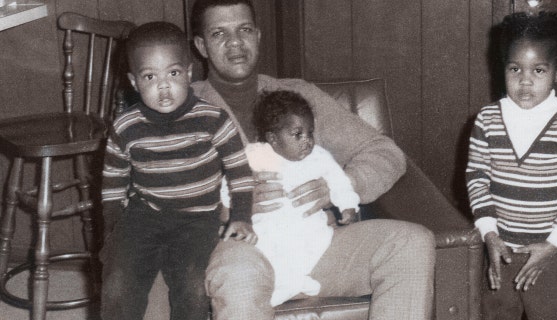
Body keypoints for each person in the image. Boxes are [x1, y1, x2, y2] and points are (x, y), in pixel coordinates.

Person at [190, 0, 436, 319]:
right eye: (219, 33)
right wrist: (227, 209)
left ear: (259, 35)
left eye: (244, 30)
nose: (235, 42)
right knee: (238, 276)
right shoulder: (181, 106)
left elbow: (386, 153)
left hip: (315, 248)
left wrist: (342, 187)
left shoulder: (298, 95)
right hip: (241, 252)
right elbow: (152, 199)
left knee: (411, 242)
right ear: (201, 45)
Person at [99, 22, 255, 320]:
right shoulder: (125, 126)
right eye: (149, 76)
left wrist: (241, 216)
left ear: (189, 72)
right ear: (134, 82)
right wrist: (113, 230)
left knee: (194, 286)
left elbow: (239, 172)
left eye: (173, 73)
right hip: (144, 215)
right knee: (117, 284)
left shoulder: (213, 119)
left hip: (198, 218)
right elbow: (113, 183)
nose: (163, 86)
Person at [466, 11, 557, 320]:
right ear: (503, 69)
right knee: (495, 314)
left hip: (552, 251)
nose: (525, 81)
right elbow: (477, 178)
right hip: (502, 249)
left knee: (550, 313)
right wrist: (489, 233)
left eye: (538, 70)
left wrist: (554, 245)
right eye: (515, 69)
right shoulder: (487, 120)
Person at [221, 90, 360, 307]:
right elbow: (230, 184)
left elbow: (339, 181)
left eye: (310, 133)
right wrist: (234, 204)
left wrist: (348, 205)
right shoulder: (254, 155)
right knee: (263, 250)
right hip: (266, 228)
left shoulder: (319, 157)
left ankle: (293, 283)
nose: (307, 141)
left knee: (311, 246)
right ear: (273, 139)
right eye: (297, 134)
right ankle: (287, 285)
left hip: (308, 227)